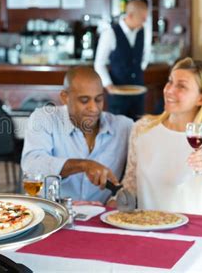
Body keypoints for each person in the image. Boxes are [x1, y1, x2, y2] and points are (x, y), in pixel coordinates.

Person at [118, 58, 202, 216]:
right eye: (170, 81)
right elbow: (130, 186)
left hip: (195, 235)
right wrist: (108, 204)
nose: (169, 90)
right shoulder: (142, 129)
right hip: (147, 230)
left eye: (181, 86)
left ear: (201, 98)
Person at [21, 66, 133, 203]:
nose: (93, 108)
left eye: (98, 100)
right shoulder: (44, 118)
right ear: (65, 97)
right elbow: (32, 165)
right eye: (84, 100)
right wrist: (83, 165)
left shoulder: (124, 127)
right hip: (52, 215)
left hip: (101, 219)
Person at [94, 0, 150, 120]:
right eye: (142, 17)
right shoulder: (110, 33)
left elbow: (145, 54)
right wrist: (109, 85)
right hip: (118, 95)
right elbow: (99, 63)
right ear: (130, 15)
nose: (145, 21)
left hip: (137, 92)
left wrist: (141, 67)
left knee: (137, 130)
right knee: (117, 132)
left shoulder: (142, 31)